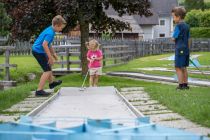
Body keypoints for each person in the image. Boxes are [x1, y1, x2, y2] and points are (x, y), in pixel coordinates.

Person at [32, 15, 67, 96]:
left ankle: (51, 83)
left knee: (49, 66)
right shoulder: (50, 32)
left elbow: (49, 43)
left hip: (40, 51)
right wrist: (50, 57)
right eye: (61, 28)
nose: (61, 29)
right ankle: (39, 91)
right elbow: (45, 45)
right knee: (47, 70)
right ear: (56, 25)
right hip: (38, 51)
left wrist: (53, 54)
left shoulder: (51, 29)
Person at [172, 7, 191, 90]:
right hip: (186, 49)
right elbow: (189, 39)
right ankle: (185, 84)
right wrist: (188, 49)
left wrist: (173, 37)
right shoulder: (187, 26)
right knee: (184, 67)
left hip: (179, 49)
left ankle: (180, 85)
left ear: (178, 17)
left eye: (173, 17)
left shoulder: (178, 26)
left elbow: (174, 38)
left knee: (178, 67)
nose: (173, 19)